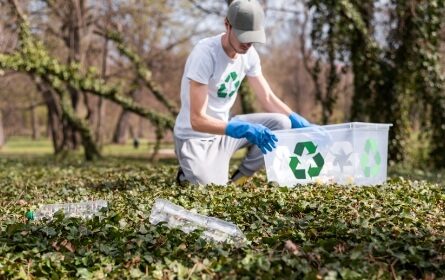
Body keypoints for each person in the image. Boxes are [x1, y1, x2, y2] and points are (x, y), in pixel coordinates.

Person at [174, 0, 312, 186]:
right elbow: (197, 120)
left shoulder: (250, 55)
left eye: (252, 37)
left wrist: (298, 121)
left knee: (282, 123)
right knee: (210, 188)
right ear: (227, 25)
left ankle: (241, 176)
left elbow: (268, 97)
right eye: (243, 36)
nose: (248, 43)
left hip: (225, 132)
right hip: (195, 138)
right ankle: (186, 174)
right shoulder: (205, 54)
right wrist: (240, 129)